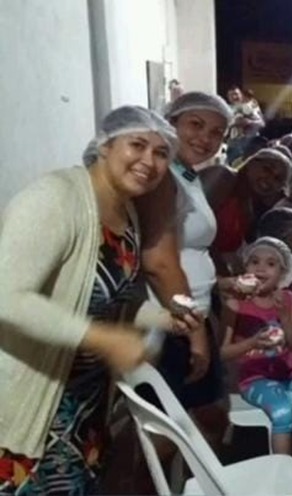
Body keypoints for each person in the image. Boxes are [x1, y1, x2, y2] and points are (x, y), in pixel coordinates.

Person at [0, 106, 186, 494]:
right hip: (32, 401)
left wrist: (166, 318)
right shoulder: (55, 198)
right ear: (105, 145)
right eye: (137, 145)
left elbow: (111, 299)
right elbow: (8, 297)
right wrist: (101, 339)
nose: (149, 161)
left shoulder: (126, 212)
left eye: (161, 153)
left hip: (85, 403)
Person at [136, 92, 234, 451]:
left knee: (208, 417)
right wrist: (195, 334)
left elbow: (187, 251)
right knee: (164, 437)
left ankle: (191, 479)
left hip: (191, 312)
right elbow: (159, 262)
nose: (205, 138)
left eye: (217, 132)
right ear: (170, 123)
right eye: (195, 125)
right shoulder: (163, 179)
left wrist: (219, 283)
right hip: (172, 320)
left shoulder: (185, 176)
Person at [219, 237, 292, 456]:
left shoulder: (288, 298)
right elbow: (222, 353)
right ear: (245, 268)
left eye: (271, 264)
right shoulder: (235, 304)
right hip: (255, 379)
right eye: (254, 262)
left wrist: (285, 317)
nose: (261, 268)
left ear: (282, 272)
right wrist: (253, 343)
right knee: (282, 412)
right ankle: (283, 471)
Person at [201, 148, 292, 276]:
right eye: (267, 169)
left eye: (277, 179)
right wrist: (223, 272)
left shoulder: (248, 208)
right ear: (251, 163)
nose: (269, 179)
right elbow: (194, 226)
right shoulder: (224, 177)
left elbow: (228, 252)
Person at [227, 86, 265, 164]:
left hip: (250, 142)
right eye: (231, 95)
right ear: (228, 97)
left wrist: (248, 122)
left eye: (236, 94)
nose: (234, 97)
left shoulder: (251, 107)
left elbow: (262, 124)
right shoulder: (227, 109)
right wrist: (232, 124)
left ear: (241, 95)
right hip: (233, 143)